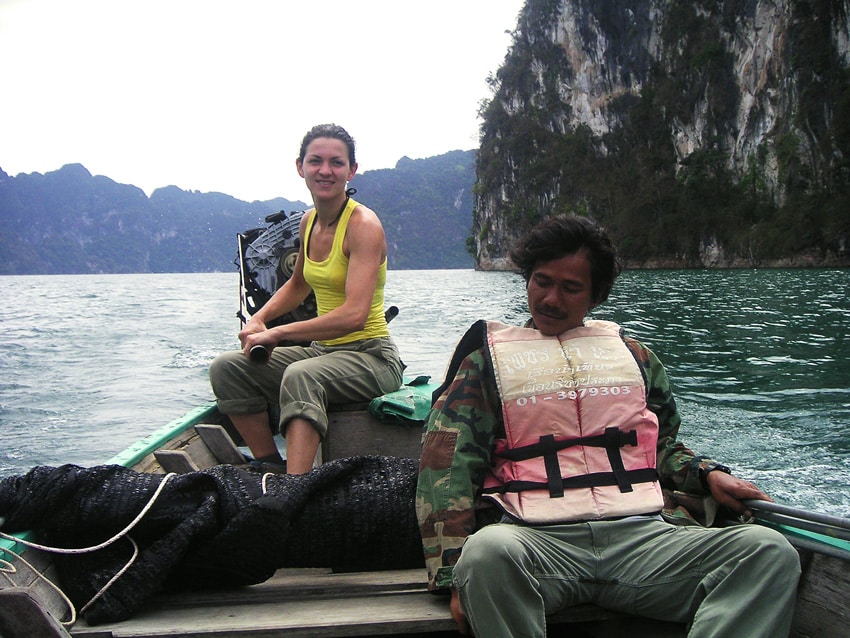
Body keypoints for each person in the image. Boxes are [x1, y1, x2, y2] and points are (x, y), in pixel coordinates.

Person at [415, 215, 801, 637]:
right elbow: (446, 465)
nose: (550, 299)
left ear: (596, 295)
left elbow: (659, 447)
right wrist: (454, 574)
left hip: (643, 540)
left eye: (571, 287)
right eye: (541, 281)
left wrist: (707, 474)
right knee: (486, 553)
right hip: (536, 543)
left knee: (767, 551)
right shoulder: (484, 366)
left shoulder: (635, 358)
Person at [210, 124, 404, 474]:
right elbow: (298, 284)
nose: (325, 171)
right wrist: (260, 320)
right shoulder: (309, 223)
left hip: (371, 356)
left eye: (336, 163)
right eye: (316, 161)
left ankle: (294, 490)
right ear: (300, 167)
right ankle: (268, 466)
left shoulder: (363, 225)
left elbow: (355, 315)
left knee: (301, 375)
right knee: (227, 369)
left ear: (351, 170)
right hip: (323, 352)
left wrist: (278, 334)